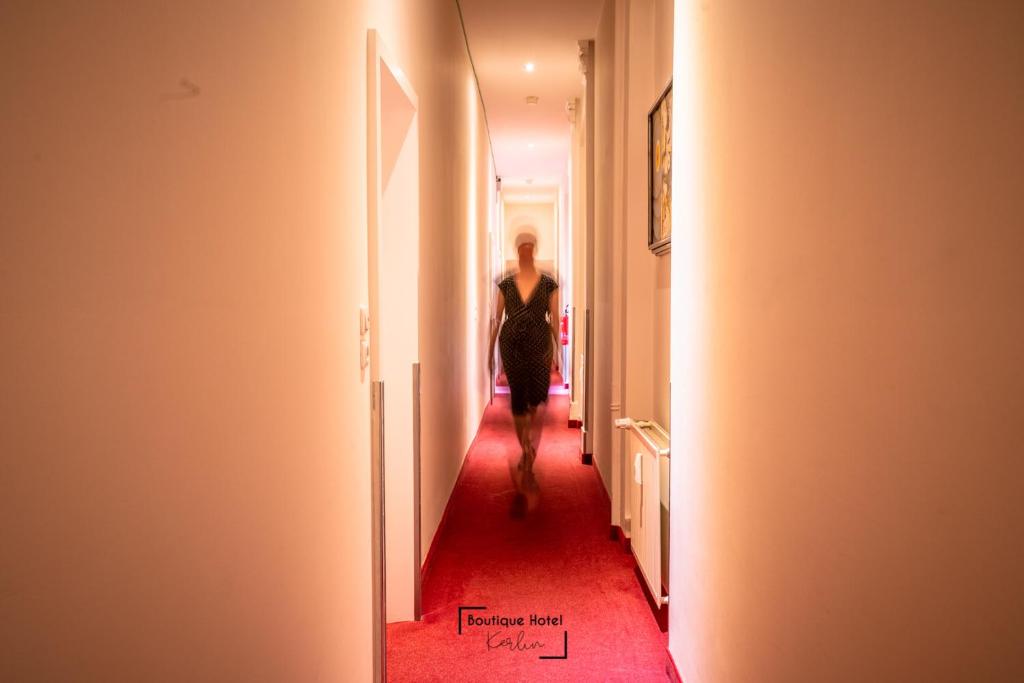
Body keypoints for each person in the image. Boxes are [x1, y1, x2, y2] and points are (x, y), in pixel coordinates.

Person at [488, 229, 560, 512]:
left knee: (536, 401)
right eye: (522, 249)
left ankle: (528, 444)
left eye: (530, 249)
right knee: (518, 400)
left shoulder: (549, 284)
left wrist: (559, 351)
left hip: (540, 346)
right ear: (518, 253)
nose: (526, 253)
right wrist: (490, 351)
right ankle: (526, 449)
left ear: (534, 251)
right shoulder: (506, 284)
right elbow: (497, 319)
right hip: (512, 346)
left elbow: (554, 319)